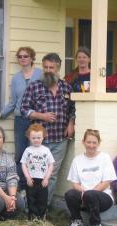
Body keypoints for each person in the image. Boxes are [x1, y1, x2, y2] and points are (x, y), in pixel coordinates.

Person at [21, 52, 75, 206]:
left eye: (51, 67)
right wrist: (41, 115)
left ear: (58, 68)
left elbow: (73, 109)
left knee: (51, 175)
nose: (48, 70)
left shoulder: (66, 87)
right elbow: (24, 109)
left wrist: (71, 123)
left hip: (59, 139)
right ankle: (30, 208)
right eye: (45, 67)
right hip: (39, 141)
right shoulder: (34, 86)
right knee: (34, 174)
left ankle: (44, 208)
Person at [0, 46, 42, 189]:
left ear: (32, 58)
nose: (23, 59)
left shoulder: (40, 75)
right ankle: (20, 188)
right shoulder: (16, 78)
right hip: (20, 119)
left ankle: (36, 189)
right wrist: (0, 114)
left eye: (26, 56)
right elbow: (13, 102)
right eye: (20, 56)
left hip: (37, 119)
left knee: (37, 153)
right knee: (21, 154)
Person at [65, 129, 117, 226]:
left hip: (103, 197)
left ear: (99, 143)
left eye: (94, 142)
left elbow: (106, 182)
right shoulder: (77, 160)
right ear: (83, 142)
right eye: (88, 142)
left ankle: (96, 224)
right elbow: (75, 184)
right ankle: (77, 220)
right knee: (70, 194)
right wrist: (84, 193)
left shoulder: (104, 158)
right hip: (85, 195)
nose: (91, 145)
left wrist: (89, 193)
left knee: (91, 194)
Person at [21, 123, 55, 220]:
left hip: (42, 180)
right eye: (33, 138)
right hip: (31, 180)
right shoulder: (28, 150)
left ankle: (42, 215)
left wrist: (46, 178)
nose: (36, 140)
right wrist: (27, 177)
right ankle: (33, 216)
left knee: (42, 198)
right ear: (29, 137)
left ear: (43, 137)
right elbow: (23, 164)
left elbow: (51, 164)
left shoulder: (46, 150)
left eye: (38, 137)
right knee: (31, 198)